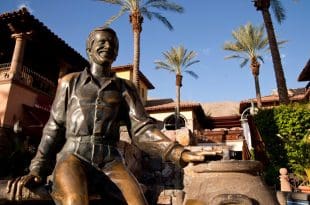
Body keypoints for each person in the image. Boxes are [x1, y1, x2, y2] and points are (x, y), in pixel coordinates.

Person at [6, 27, 204, 205]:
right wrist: (37, 168)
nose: (108, 46)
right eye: (101, 42)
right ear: (89, 49)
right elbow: (54, 127)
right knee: (75, 200)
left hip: (110, 160)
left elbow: (142, 129)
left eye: (112, 43)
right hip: (73, 156)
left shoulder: (126, 89)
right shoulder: (70, 82)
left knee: (137, 202)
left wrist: (179, 153)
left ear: (116, 52)